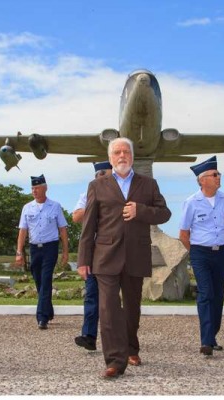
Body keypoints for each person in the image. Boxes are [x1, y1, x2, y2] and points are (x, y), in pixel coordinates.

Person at [77, 137, 171, 379]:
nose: (122, 156)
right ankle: (115, 362)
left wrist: (141, 211)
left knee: (131, 309)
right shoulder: (97, 185)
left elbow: (165, 213)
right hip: (105, 257)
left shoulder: (148, 185)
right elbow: (88, 226)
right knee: (108, 309)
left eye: (126, 152)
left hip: (136, 256)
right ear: (110, 158)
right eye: (117, 152)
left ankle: (131, 348)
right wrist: (83, 260)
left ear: (132, 157)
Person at [179, 156, 224, 356]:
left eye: (218, 174)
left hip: (220, 252)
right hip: (200, 253)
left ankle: (212, 336)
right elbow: (184, 234)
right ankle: (206, 341)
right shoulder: (191, 202)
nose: (218, 177)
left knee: (218, 295)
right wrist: (194, 252)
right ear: (202, 180)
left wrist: (218, 243)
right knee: (206, 293)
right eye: (214, 174)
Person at [16, 174, 69, 330]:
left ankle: (42, 317)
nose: (35, 191)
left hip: (50, 248)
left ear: (45, 188)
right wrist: (19, 252)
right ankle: (49, 310)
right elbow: (22, 231)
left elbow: (63, 230)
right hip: (34, 248)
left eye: (37, 187)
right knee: (39, 282)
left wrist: (65, 252)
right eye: (33, 188)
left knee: (46, 280)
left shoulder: (55, 206)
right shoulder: (27, 208)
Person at [73, 161, 112, 351]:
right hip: (94, 251)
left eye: (105, 173)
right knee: (91, 296)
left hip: (114, 252)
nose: (101, 177)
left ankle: (120, 338)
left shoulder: (122, 194)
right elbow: (76, 216)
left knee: (114, 299)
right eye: (98, 175)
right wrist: (94, 203)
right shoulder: (87, 194)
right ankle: (89, 336)